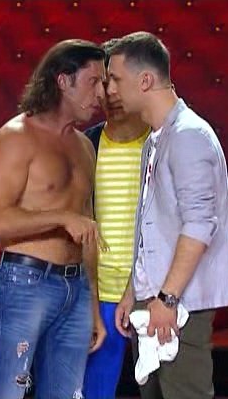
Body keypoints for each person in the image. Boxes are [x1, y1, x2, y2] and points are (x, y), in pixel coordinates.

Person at [107, 31, 228, 399]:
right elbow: (150, 226)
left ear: (145, 80)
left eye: (116, 79)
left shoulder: (189, 135)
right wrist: (133, 292)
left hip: (179, 305)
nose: (110, 90)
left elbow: (200, 224)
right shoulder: (156, 138)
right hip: (155, 300)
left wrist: (167, 299)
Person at [0, 39, 108, 399]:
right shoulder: (15, 138)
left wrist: (93, 304)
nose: (101, 94)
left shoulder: (84, 146)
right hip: (25, 282)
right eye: (93, 82)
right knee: (7, 393)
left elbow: (87, 228)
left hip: (77, 288)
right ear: (63, 81)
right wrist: (61, 217)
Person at [83, 39, 151, 399]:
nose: (110, 92)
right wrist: (90, 302)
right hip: (100, 299)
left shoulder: (161, 144)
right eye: (103, 82)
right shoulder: (85, 146)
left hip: (152, 295)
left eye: (117, 82)